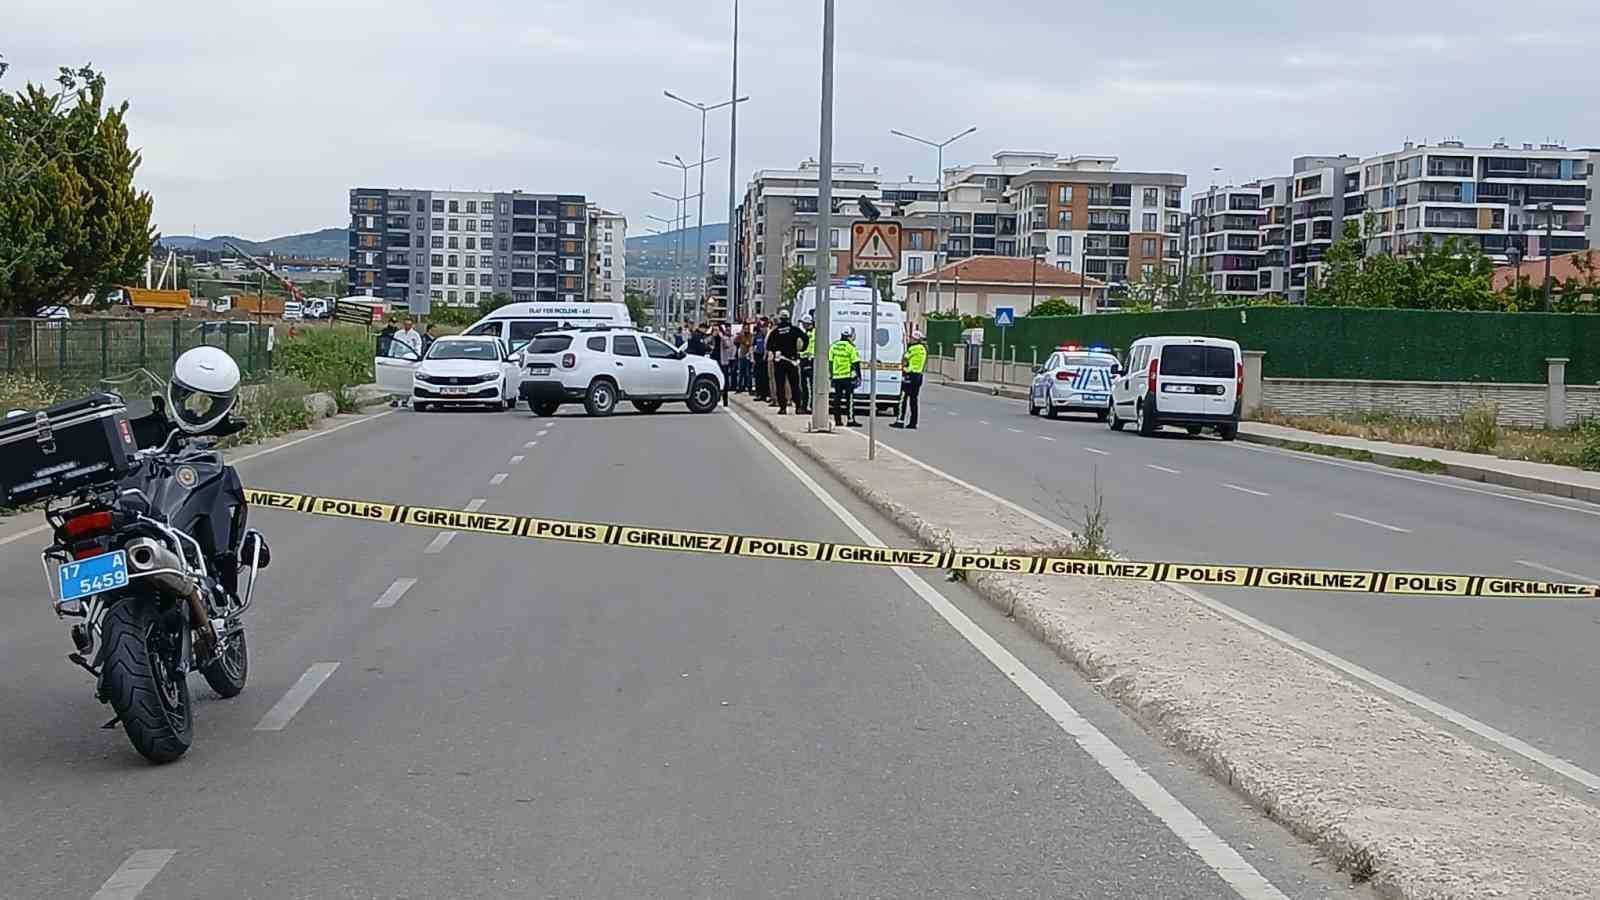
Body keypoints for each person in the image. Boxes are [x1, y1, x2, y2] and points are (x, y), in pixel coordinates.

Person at [766, 311, 806, 415]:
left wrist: (776, 350)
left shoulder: (775, 332)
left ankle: (782, 408)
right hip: (792, 361)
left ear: (780, 319)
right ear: (788, 318)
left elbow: (768, 346)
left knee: (780, 385)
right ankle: (798, 407)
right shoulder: (794, 330)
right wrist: (802, 349)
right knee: (795, 384)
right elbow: (805, 338)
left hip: (780, 361)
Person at [890, 329, 927, 430]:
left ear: (915, 339)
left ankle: (900, 421)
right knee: (914, 400)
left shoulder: (912, 349)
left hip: (909, 375)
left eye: (912, 338)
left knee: (903, 398)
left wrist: (903, 367)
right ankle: (913, 423)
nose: (910, 339)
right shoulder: (923, 349)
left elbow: (905, 359)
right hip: (918, 376)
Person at [829, 326, 863, 428]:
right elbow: (856, 363)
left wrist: (831, 375)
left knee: (837, 400)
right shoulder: (851, 348)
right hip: (848, 377)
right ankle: (850, 419)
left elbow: (830, 362)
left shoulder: (834, 346)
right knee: (849, 399)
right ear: (850, 336)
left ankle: (837, 420)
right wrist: (859, 377)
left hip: (837, 377)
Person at [798, 313, 816, 414]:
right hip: (806, 360)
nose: (803, 325)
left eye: (803, 323)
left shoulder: (811, 334)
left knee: (807, 386)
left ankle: (807, 406)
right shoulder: (809, 333)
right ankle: (806, 406)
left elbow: (809, 349)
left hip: (809, 361)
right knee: (804, 385)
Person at [716, 323, 736, 406]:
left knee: (725, 380)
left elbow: (728, 345)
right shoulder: (714, 337)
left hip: (723, 361)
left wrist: (722, 337)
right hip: (715, 361)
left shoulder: (725, 338)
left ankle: (725, 401)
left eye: (717, 330)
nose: (716, 332)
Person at [752, 320, 769, 401]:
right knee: (758, 377)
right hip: (758, 357)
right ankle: (759, 394)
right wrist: (753, 357)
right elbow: (753, 346)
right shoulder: (757, 336)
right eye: (761, 327)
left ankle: (765, 394)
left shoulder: (767, 335)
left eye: (764, 326)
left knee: (765, 378)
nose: (762, 328)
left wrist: (765, 356)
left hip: (765, 358)